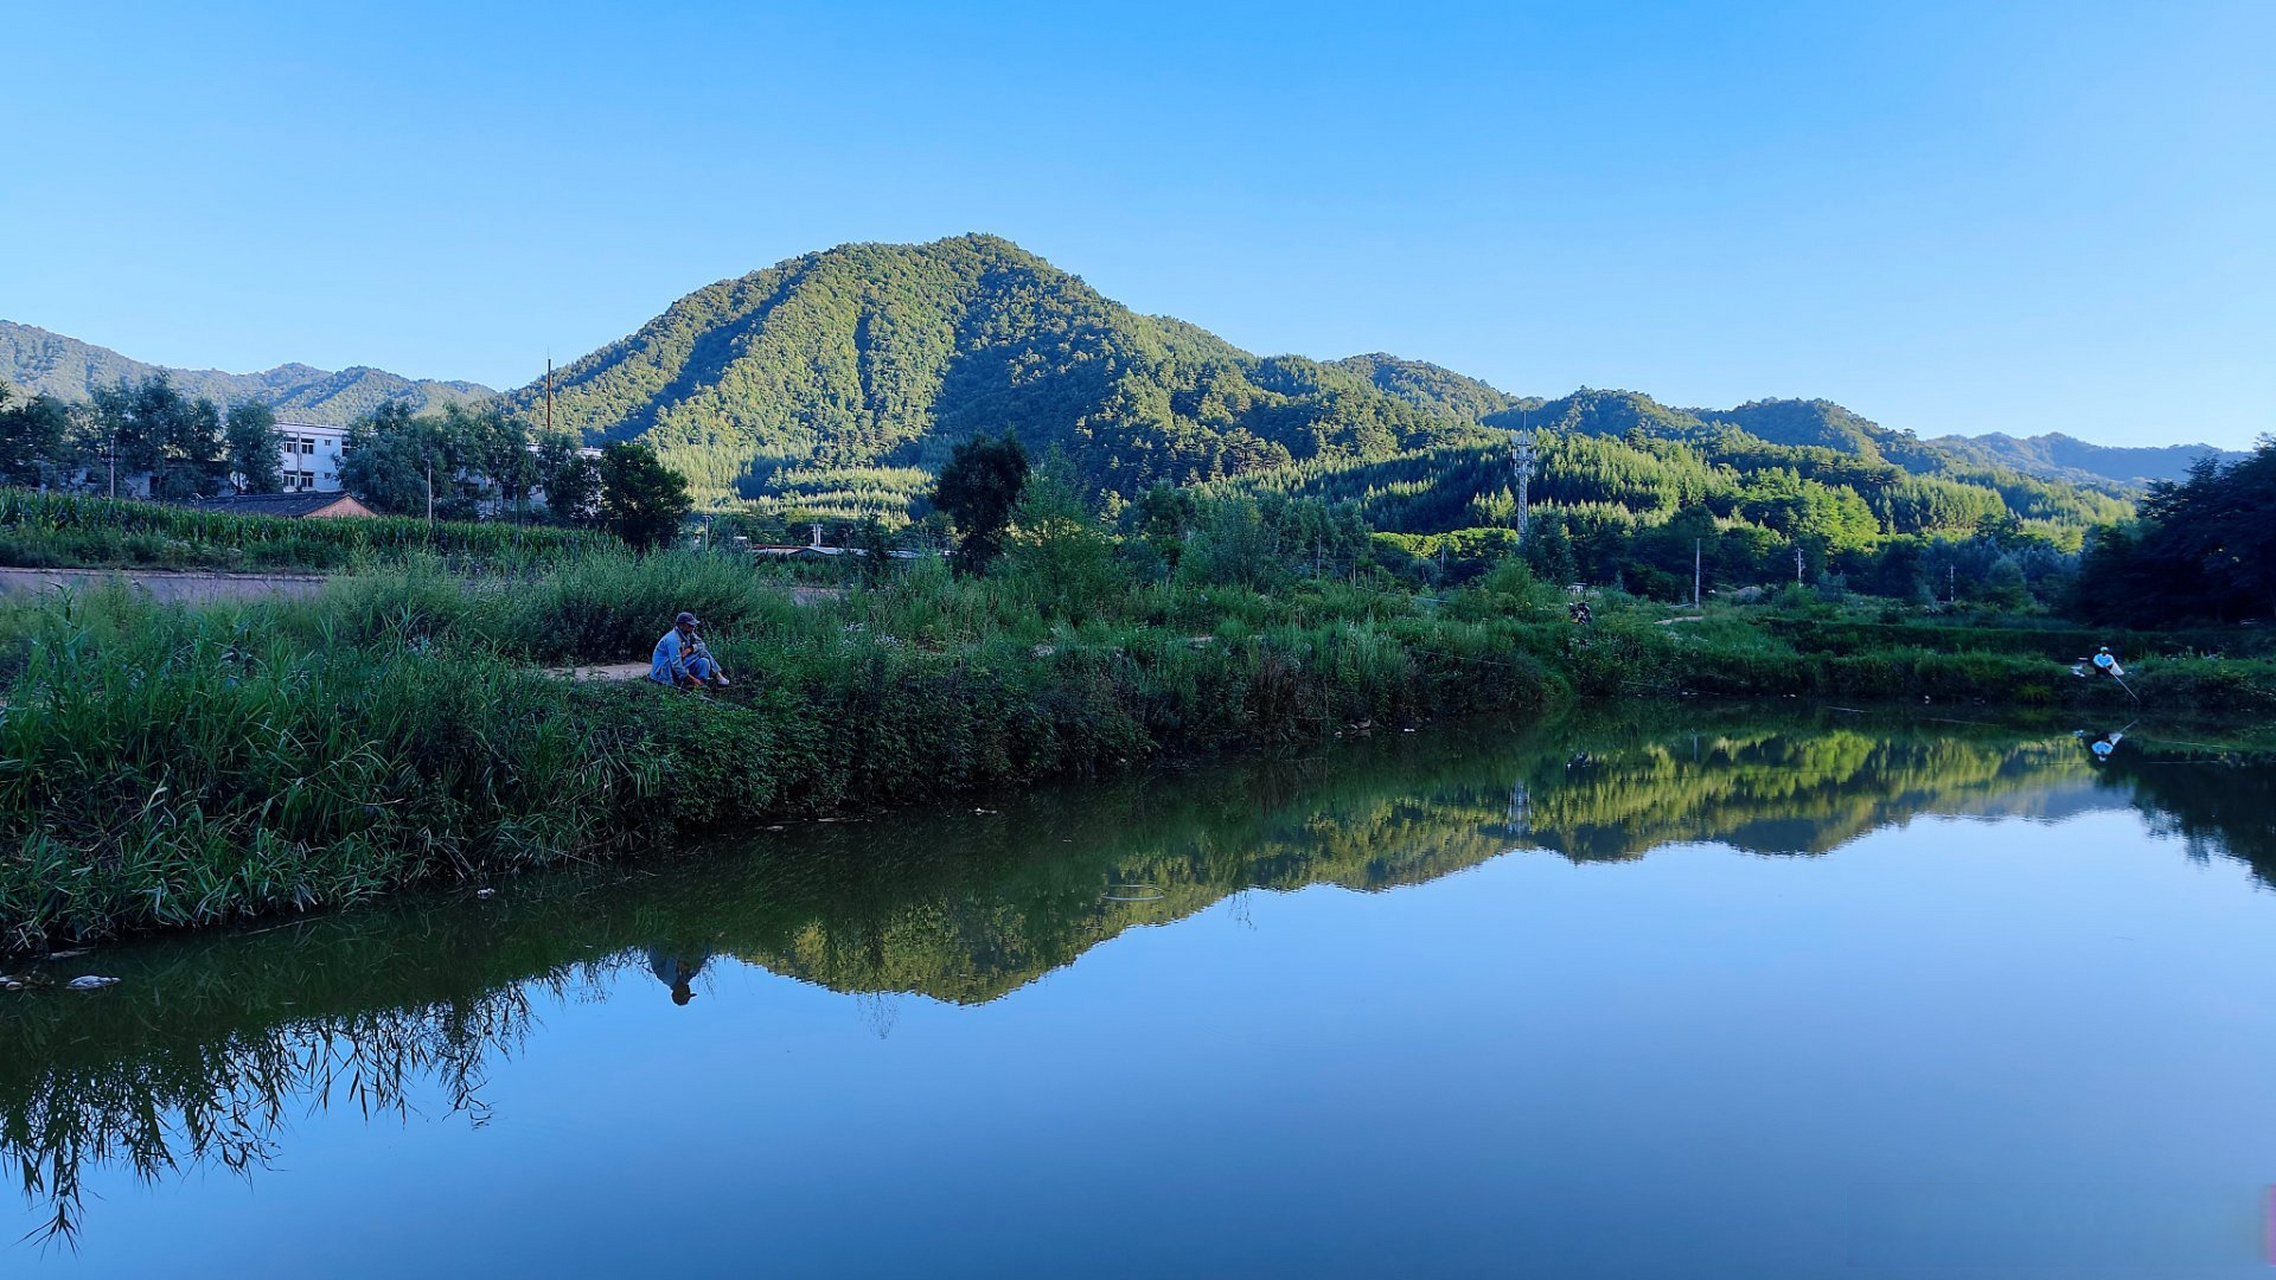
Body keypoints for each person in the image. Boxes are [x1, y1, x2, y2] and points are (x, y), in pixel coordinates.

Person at [650, 611, 731, 690]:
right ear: (681, 625)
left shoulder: (688, 633)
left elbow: (702, 645)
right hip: (664, 670)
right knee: (702, 653)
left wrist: (690, 649)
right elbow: (676, 665)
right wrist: (692, 679)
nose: (692, 628)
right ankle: (713, 677)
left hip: (676, 665)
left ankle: (701, 684)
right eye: (689, 625)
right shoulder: (672, 640)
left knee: (704, 661)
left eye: (693, 625)